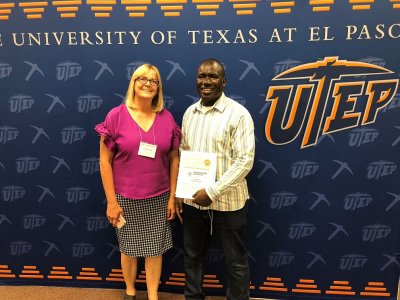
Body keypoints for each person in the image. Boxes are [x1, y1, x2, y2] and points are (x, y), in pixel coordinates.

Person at [95, 64, 180, 300]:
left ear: (158, 88)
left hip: (159, 196)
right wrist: (112, 202)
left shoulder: (167, 117)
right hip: (125, 198)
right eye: (141, 78)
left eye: (153, 80)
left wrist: (173, 197)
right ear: (133, 83)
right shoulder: (115, 116)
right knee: (128, 250)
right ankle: (130, 292)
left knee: (155, 251)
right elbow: (104, 162)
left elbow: (174, 159)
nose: (147, 83)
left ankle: (153, 295)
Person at [176, 58, 255, 300]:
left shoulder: (238, 115)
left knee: (235, 261)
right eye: (202, 76)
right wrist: (181, 191)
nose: (206, 81)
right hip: (192, 202)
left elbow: (245, 160)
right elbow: (183, 153)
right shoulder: (190, 113)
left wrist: (212, 191)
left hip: (229, 203)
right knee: (192, 257)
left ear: (224, 81)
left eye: (212, 77)